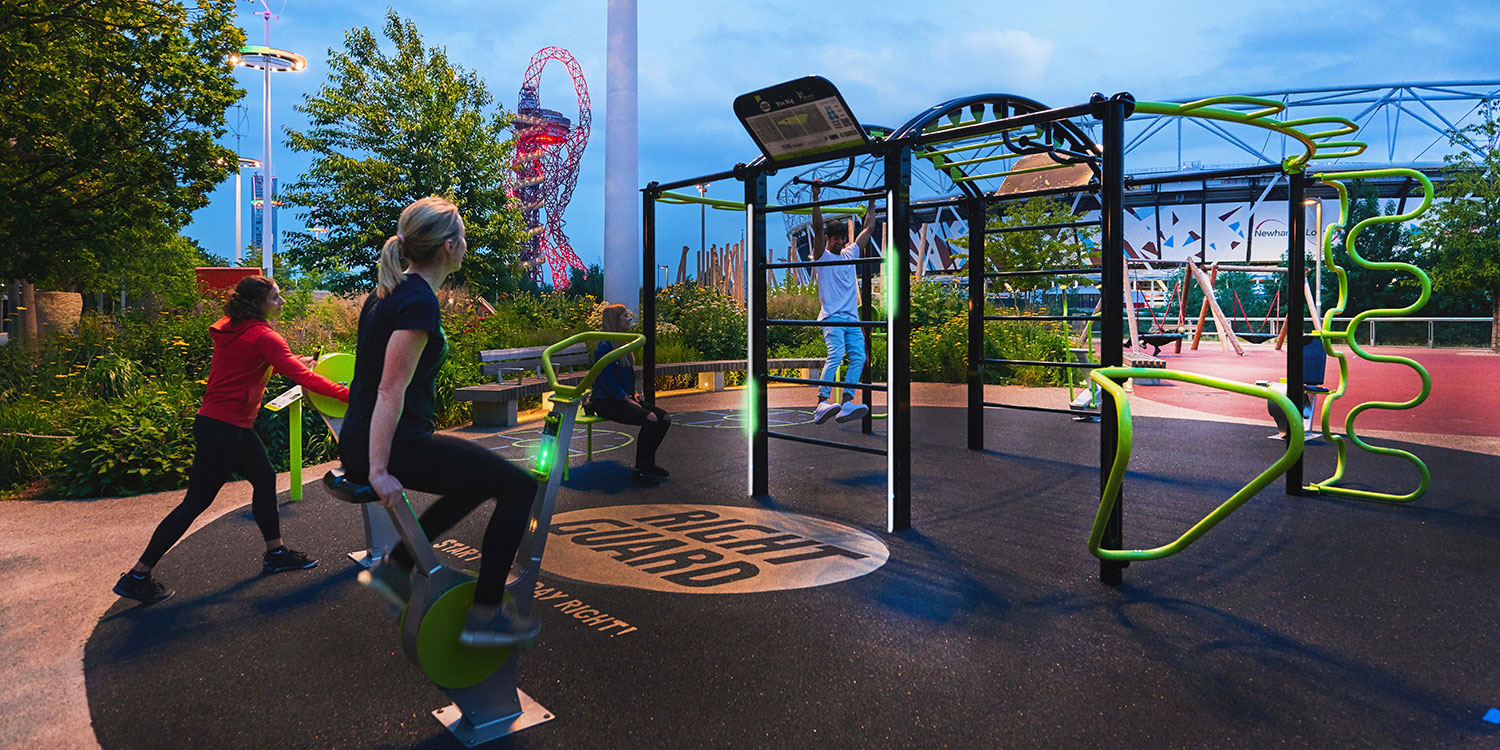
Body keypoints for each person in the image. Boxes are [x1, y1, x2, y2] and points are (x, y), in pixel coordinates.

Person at [339, 196, 540, 647]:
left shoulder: (388, 292)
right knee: (519, 487)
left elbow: (371, 380)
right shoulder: (417, 302)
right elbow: (389, 389)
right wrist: (376, 470)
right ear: (450, 246)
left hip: (374, 438)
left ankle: (396, 567)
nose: (466, 244)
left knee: (474, 479)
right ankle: (486, 614)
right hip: (392, 445)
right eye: (463, 236)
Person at [113, 276, 351, 605]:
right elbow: (302, 377)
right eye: (276, 297)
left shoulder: (233, 327)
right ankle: (138, 576)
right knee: (195, 503)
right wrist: (351, 396)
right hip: (224, 427)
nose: (280, 302)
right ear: (258, 303)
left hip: (224, 424)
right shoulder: (264, 336)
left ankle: (275, 552)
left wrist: (295, 359)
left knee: (265, 478)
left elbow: (260, 359)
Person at [809, 184, 880, 424]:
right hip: (832, 316)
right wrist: (816, 196)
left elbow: (869, 228)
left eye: (842, 239)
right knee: (836, 355)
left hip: (851, 317)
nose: (840, 243)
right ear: (828, 240)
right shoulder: (822, 256)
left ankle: (847, 401)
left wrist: (871, 203)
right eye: (836, 239)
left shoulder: (850, 253)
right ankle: (821, 401)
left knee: (859, 357)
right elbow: (817, 228)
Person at [588, 304, 671, 486]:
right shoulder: (605, 346)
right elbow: (606, 379)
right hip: (606, 401)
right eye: (625, 316)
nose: (629, 319)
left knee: (664, 418)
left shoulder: (624, 344)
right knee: (650, 418)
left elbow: (625, 376)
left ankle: (649, 462)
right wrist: (626, 398)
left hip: (622, 397)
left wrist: (633, 394)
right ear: (615, 320)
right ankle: (640, 469)